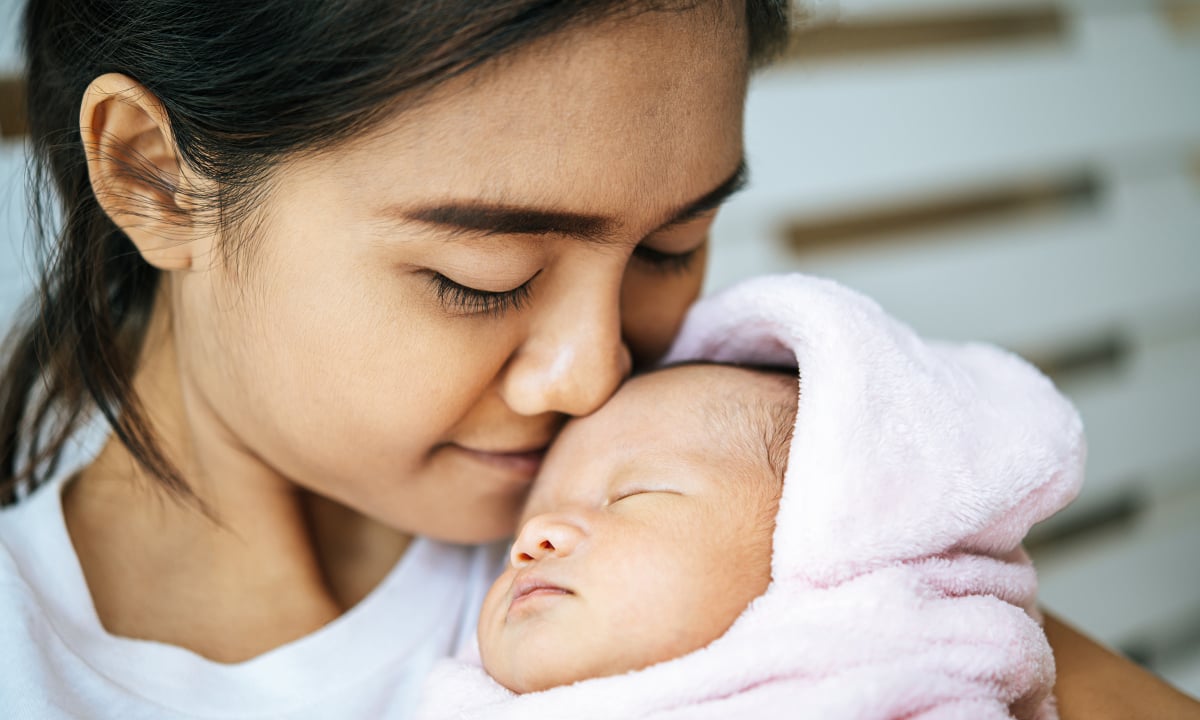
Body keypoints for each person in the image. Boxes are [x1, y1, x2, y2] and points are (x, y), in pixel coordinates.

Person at [0, 1, 1193, 718]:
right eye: (486, 279)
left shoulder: (733, 509)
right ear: (156, 174)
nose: (593, 376)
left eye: (674, 246)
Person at [418, 273, 1083, 718]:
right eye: (531, 522)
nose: (535, 538)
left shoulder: (881, 680)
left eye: (632, 495)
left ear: (812, 541)